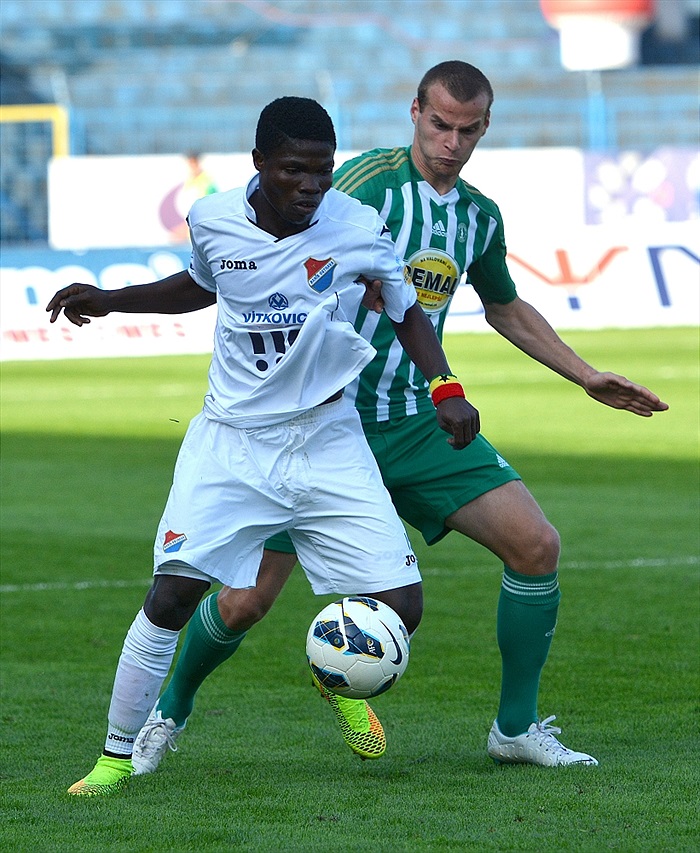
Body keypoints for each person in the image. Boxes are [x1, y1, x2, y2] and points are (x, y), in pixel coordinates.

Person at [132, 61, 669, 774]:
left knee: (536, 545)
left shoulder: (478, 215)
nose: (452, 142)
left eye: (468, 130)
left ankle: (513, 727)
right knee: (242, 602)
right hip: (321, 428)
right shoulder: (358, 189)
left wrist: (583, 374)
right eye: (440, 124)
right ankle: (165, 714)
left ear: (485, 128)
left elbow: (504, 306)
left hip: (416, 420)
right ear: (414, 111)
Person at [47, 96, 480, 797]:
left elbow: (405, 312)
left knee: (403, 601)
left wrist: (445, 387)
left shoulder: (359, 228)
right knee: (172, 594)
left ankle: (335, 666)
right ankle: (116, 756)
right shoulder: (213, 218)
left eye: (322, 171)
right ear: (259, 166)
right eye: (294, 170)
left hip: (327, 437)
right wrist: (112, 297)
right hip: (232, 441)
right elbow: (200, 284)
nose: (311, 185)